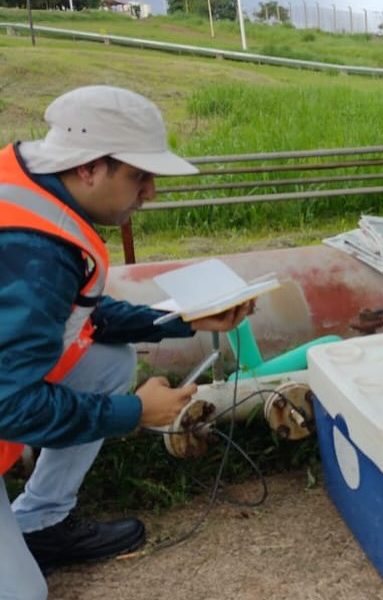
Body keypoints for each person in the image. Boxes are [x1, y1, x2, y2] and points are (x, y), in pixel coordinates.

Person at [0, 85, 253, 600]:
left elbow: (79, 313)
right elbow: (9, 404)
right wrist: (135, 413)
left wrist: (184, 320)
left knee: (107, 361)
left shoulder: (31, 190)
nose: (151, 192)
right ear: (89, 167)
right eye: (139, 175)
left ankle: (39, 524)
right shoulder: (32, 249)